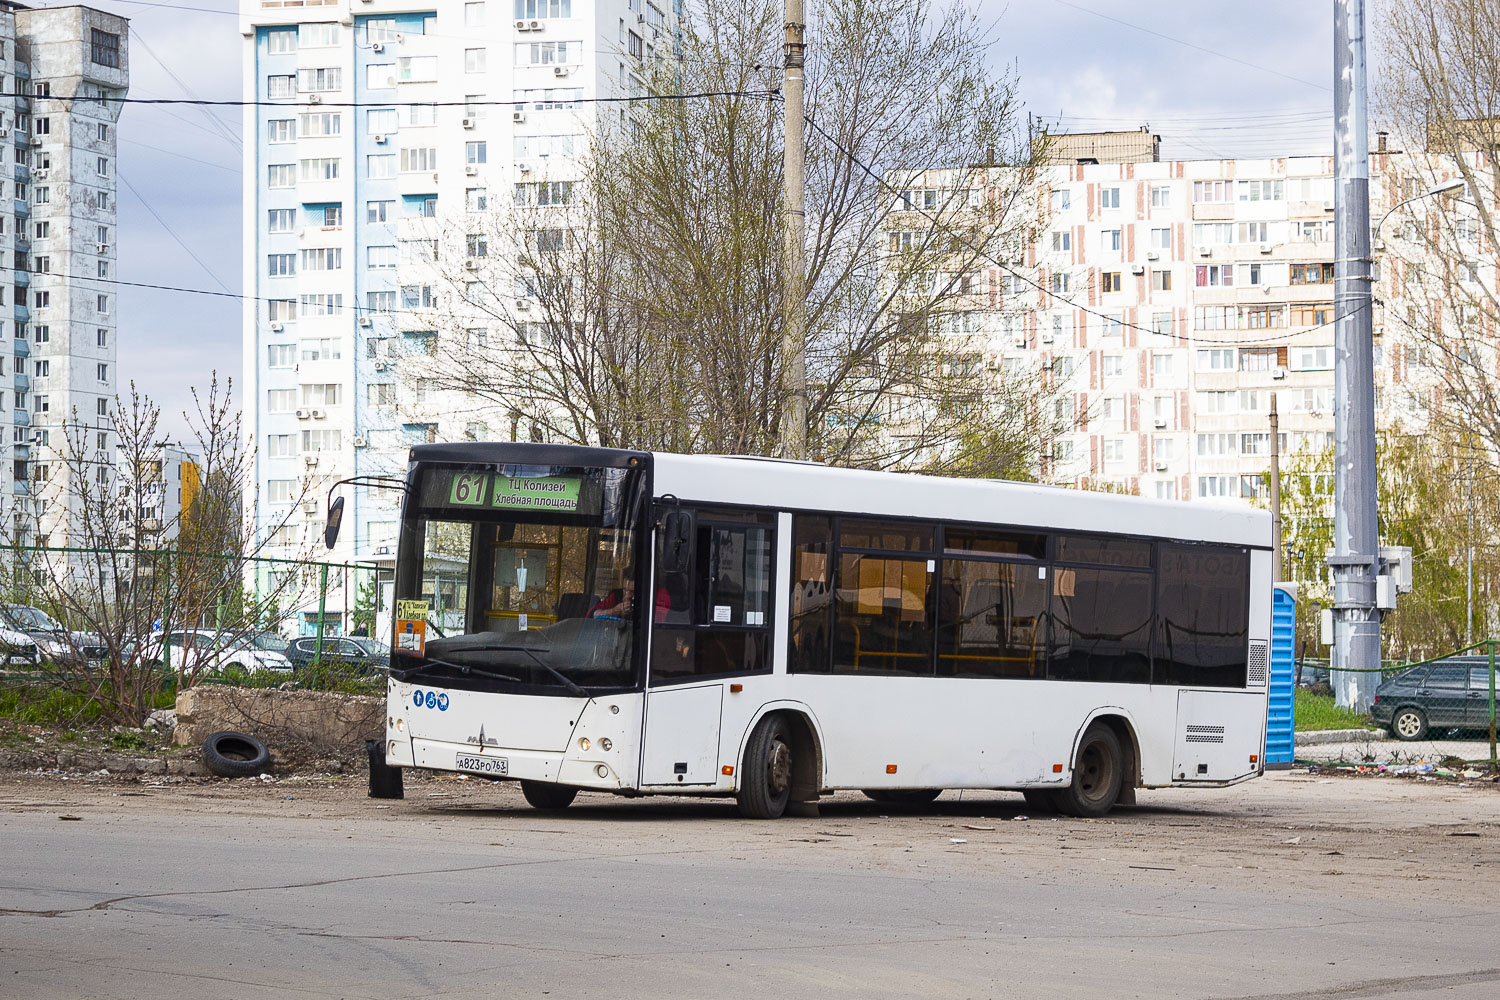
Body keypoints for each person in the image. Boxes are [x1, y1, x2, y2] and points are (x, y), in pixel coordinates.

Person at [590, 576, 671, 623]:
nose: (627, 595)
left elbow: (658, 621)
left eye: (632, 592)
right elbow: (591, 614)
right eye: (625, 590)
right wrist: (614, 611)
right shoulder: (616, 595)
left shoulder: (657, 596)